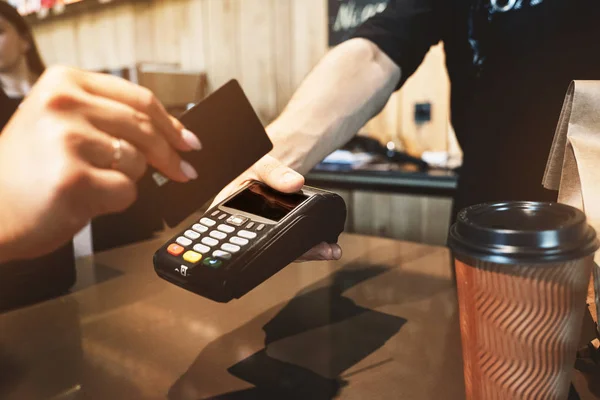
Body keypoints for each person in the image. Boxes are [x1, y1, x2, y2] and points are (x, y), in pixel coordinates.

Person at [212, 0, 600, 387]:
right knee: (480, 376)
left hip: (589, 221)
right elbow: (376, 50)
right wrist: (270, 164)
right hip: (479, 227)